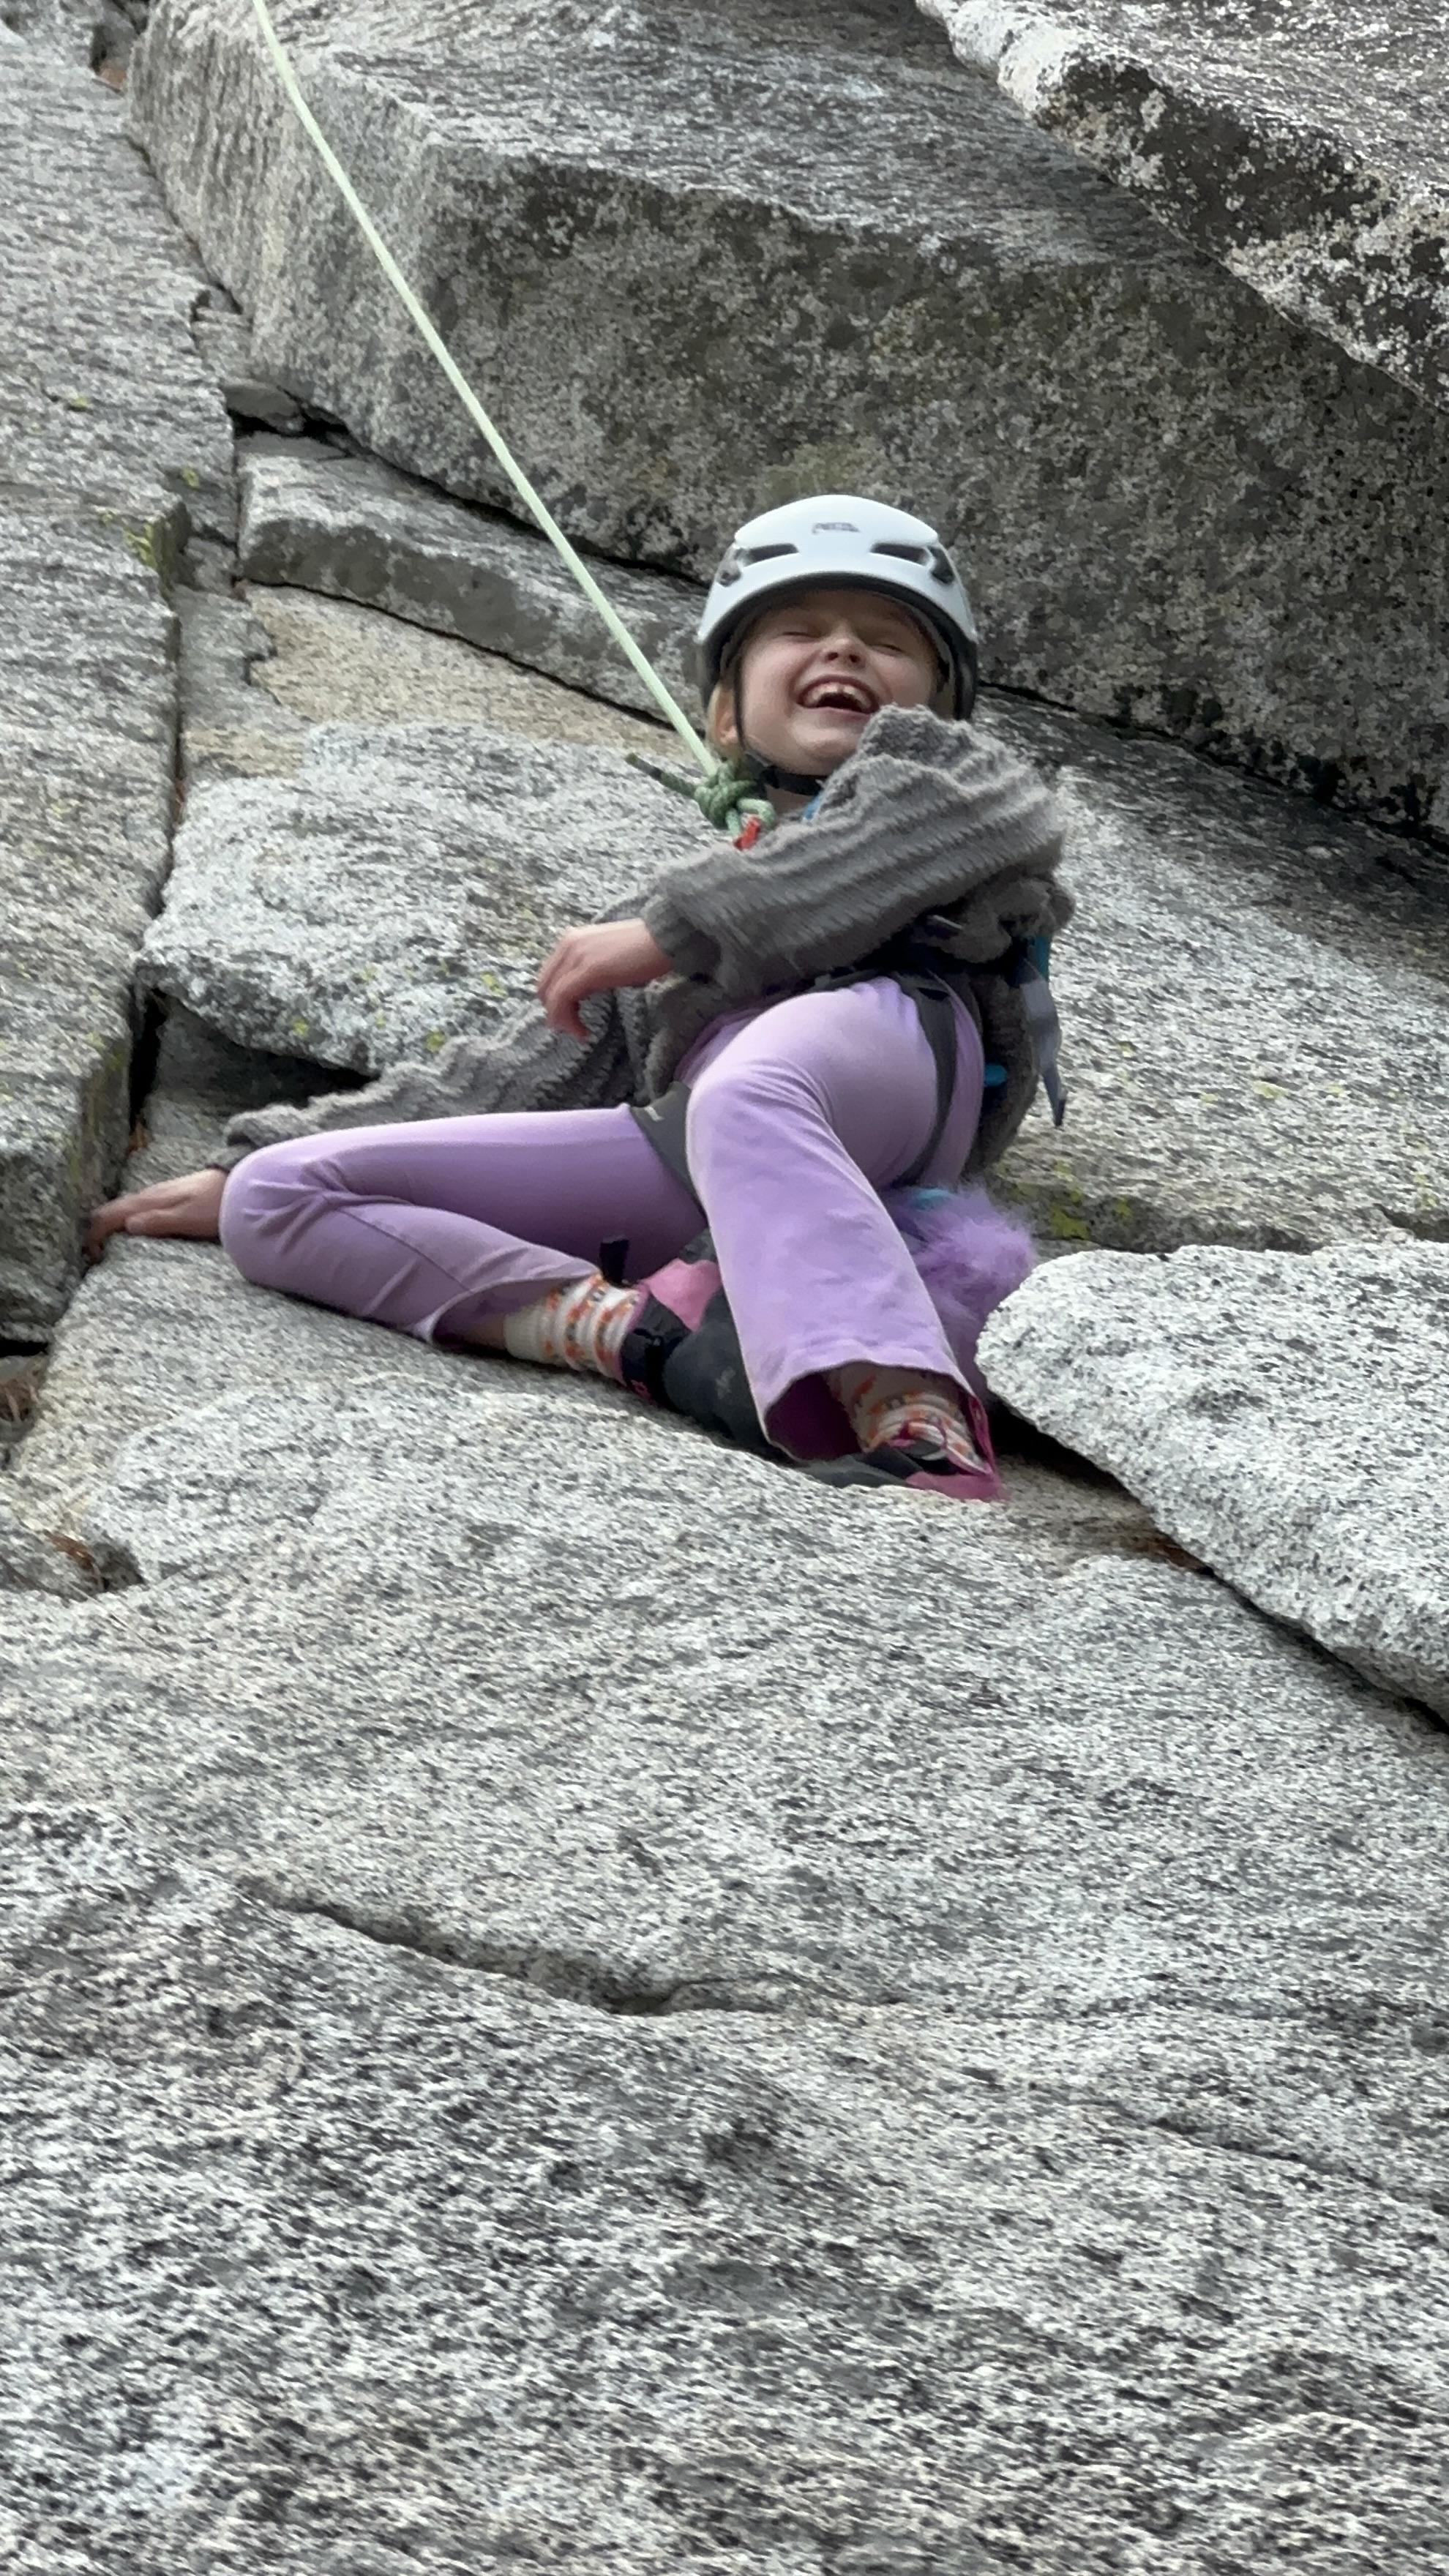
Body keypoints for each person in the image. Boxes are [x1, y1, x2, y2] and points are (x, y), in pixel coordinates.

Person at [91, 496, 1072, 1503]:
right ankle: (639, 1338)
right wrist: (246, 1160)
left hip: (894, 1059)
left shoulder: (951, 780)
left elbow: (889, 847)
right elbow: (517, 1078)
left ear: (939, 707)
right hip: (698, 1146)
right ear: (728, 714)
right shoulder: (660, 935)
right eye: (799, 632)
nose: (845, 652)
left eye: (887, 639)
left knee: (748, 1093)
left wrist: (668, 935)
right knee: (284, 1202)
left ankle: (911, 1413)